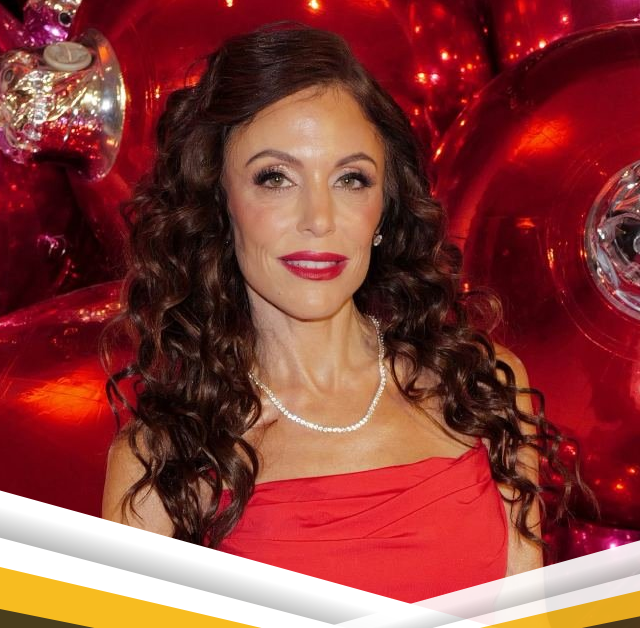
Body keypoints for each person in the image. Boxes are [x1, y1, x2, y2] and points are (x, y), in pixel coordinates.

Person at [100, 22, 581, 603]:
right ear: (218, 203)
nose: (319, 220)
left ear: (384, 207)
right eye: (275, 178)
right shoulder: (165, 457)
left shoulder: (480, 388)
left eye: (351, 179)